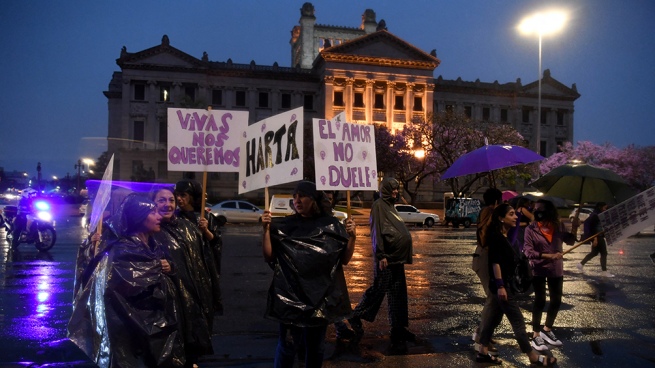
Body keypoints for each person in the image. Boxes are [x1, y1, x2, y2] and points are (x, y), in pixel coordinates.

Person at [68, 193, 185, 367]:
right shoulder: (124, 250)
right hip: (134, 335)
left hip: (154, 332)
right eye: (153, 213)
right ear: (138, 217)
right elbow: (125, 292)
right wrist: (154, 269)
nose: (159, 216)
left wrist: (169, 268)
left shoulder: (152, 245)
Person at [262, 181, 356, 368]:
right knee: (287, 345)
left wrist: (352, 237)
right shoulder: (285, 225)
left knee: (315, 347)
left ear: (314, 200)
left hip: (320, 299)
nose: (297, 200)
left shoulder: (331, 226)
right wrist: (265, 231)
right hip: (291, 297)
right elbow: (269, 255)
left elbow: (344, 259)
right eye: (294, 196)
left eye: (302, 196)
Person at [477, 203, 557, 366]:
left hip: (502, 287)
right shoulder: (496, 238)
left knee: (492, 320)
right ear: (501, 218)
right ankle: (532, 356)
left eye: (515, 214)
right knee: (518, 322)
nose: (515, 217)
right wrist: (500, 286)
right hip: (503, 287)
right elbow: (495, 263)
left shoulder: (504, 236)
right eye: (511, 214)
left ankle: (482, 351)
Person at [348, 177, 416, 355]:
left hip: (396, 258)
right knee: (378, 290)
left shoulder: (390, 205)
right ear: (384, 190)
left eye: (396, 189)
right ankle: (356, 315)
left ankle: (398, 329)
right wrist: (381, 254)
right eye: (392, 189)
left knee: (398, 293)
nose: (395, 192)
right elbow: (376, 230)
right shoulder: (379, 205)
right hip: (386, 258)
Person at [152, 187, 215, 367]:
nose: (168, 204)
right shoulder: (148, 227)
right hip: (163, 301)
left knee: (189, 336)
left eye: (171, 200)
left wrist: (206, 233)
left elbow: (203, 258)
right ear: (153, 203)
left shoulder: (186, 226)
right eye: (161, 200)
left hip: (188, 295)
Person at [523, 199, 575, 351]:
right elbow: (528, 251)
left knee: (556, 300)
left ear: (549, 211)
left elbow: (570, 242)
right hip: (538, 268)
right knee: (540, 300)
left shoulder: (558, 226)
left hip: (556, 269)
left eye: (540, 209)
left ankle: (547, 329)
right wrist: (548, 256)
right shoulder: (531, 229)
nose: (537, 212)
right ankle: (536, 334)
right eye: (535, 209)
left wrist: (575, 227)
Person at [174, 179, 225, 316]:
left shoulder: (205, 217)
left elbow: (216, 243)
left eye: (183, 195)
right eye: (177, 195)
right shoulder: (174, 218)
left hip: (201, 270)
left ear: (191, 197)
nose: (179, 199)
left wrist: (206, 231)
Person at [471, 188, 502, 353]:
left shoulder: (490, 211)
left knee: (495, 300)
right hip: (484, 258)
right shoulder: (487, 212)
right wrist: (494, 215)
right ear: (497, 200)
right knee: (492, 299)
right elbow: (484, 237)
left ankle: (484, 333)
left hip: (489, 257)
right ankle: (481, 337)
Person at [577, 202, 615, 277]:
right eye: (604, 208)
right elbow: (593, 228)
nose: (605, 209)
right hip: (598, 237)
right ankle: (604, 271)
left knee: (594, 253)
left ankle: (581, 264)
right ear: (600, 207)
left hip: (598, 236)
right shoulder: (595, 215)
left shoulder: (597, 214)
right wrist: (595, 239)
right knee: (604, 253)